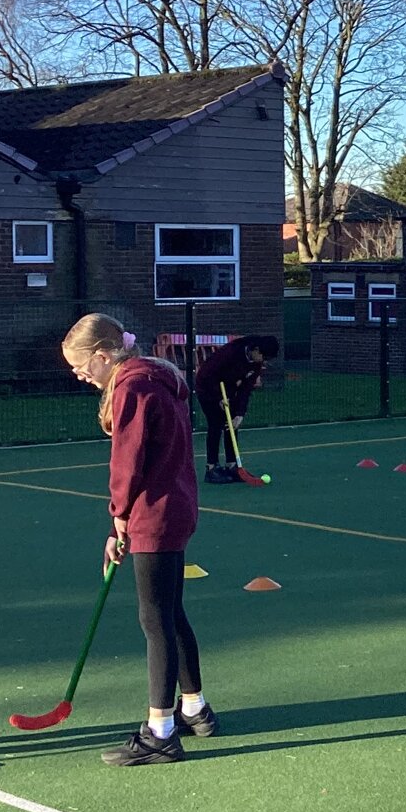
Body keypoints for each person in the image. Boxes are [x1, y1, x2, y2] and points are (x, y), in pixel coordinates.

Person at [61, 315, 209, 765]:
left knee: (154, 621)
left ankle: (160, 731)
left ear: (103, 356)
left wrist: (119, 518)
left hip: (155, 514)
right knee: (170, 612)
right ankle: (195, 709)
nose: (79, 375)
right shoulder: (155, 377)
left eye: (82, 366)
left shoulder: (132, 387)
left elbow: (127, 463)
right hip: (172, 507)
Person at [196, 333, 279, 483]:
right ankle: (211, 467)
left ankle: (232, 465)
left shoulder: (255, 364)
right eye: (264, 357)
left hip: (229, 390)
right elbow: (207, 374)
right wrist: (218, 398)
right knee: (216, 424)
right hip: (208, 388)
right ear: (256, 350)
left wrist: (240, 413)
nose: (264, 362)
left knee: (232, 424)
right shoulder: (232, 353)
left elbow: (246, 388)